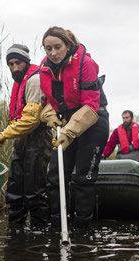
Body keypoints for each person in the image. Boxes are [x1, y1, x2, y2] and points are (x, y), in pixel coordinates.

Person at [38, 26, 109, 229]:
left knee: (83, 178)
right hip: (67, 121)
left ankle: (81, 229)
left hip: (94, 120)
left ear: (67, 45)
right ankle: (58, 225)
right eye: (48, 48)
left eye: (57, 47)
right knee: (55, 176)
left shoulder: (85, 63)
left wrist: (70, 132)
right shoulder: (45, 67)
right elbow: (47, 101)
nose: (53, 53)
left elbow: (91, 104)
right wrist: (48, 114)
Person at [0, 44, 52, 229]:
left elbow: (31, 121)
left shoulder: (34, 80)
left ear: (26, 62)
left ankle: (38, 234)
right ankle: (15, 233)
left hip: (38, 138)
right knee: (15, 190)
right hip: (21, 140)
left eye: (18, 63)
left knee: (35, 191)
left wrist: (4, 134)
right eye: (11, 64)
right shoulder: (19, 81)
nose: (15, 68)